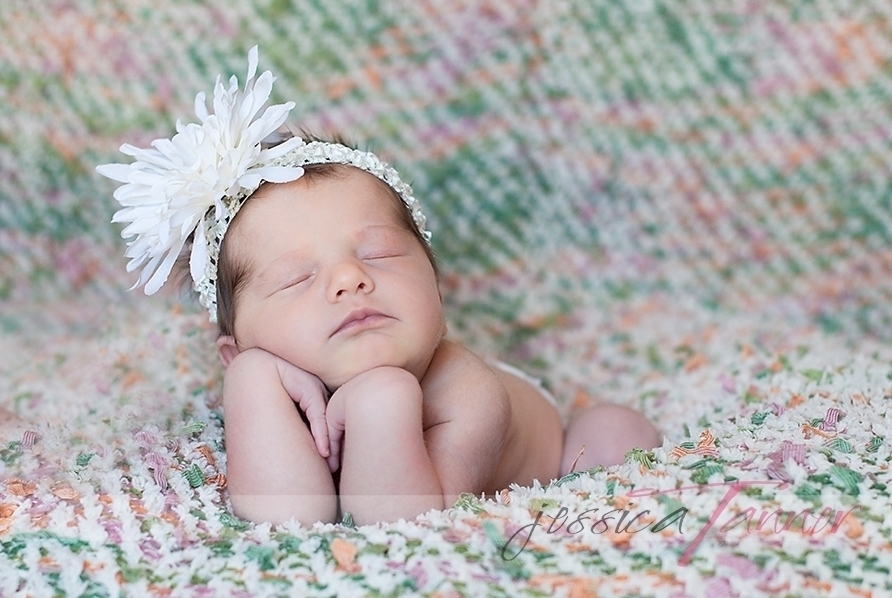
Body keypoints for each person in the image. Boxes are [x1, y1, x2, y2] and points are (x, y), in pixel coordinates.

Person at [98, 47, 660, 527]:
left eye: (380, 255)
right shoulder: (264, 381)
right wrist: (252, 378)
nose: (350, 278)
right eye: (296, 279)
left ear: (435, 285)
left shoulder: (467, 393)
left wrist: (381, 401)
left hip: (557, 448)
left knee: (614, 434)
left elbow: (411, 524)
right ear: (236, 348)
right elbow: (287, 516)